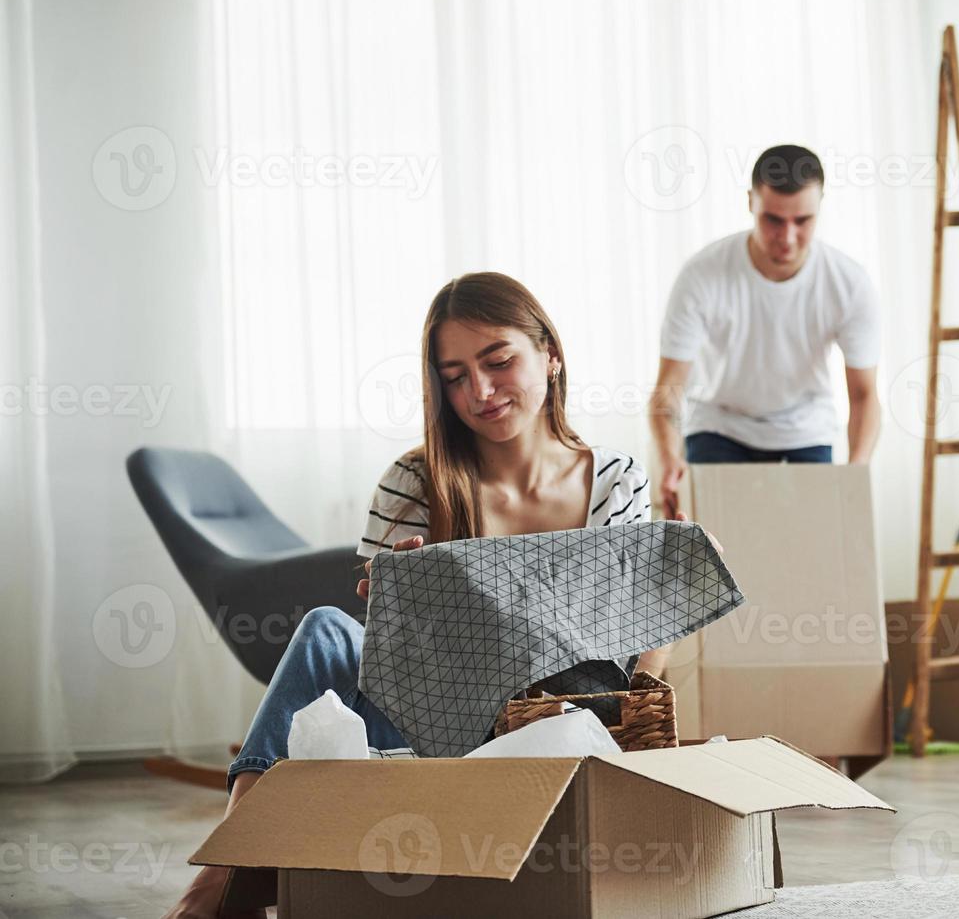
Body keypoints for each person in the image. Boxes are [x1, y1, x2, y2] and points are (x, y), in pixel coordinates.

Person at [165, 272, 663, 919]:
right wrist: (401, 607)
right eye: (454, 375)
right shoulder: (413, 481)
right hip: (431, 726)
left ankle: (241, 878)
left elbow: (637, 635)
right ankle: (219, 881)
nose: (478, 392)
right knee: (325, 629)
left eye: (499, 361)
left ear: (551, 354)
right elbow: (391, 663)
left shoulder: (615, 480)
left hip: (553, 724)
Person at [650, 143, 882, 518]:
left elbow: (864, 394)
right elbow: (669, 387)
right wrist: (669, 458)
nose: (787, 237)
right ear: (750, 203)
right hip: (719, 427)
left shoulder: (849, 283)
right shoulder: (701, 275)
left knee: (810, 555)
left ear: (820, 207)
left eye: (802, 221)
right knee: (711, 557)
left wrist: (856, 473)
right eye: (773, 220)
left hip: (806, 430)